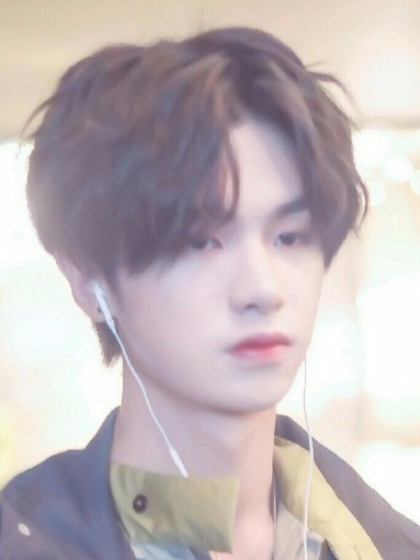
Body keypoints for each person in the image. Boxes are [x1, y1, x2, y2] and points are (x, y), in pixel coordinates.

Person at [0, 26, 418, 560]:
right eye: (201, 241)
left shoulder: (384, 542)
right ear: (87, 278)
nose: (262, 289)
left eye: (290, 236)